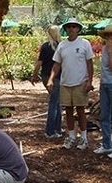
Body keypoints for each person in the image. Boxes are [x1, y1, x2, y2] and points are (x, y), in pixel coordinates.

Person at [47, 17, 94, 150]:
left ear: (78, 29)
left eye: (74, 26)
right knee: (67, 110)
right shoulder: (62, 45)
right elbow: (57, 64)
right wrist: (51, 79)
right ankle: (72, 137)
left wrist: (89, 81)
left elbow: (89, 64)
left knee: (80, 110)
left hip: (80, 82)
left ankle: (84, 138)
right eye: (69, 27)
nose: (71, 29)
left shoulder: (84, 43)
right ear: (66, 29)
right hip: (65, 83)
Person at [31, 25, 62, 139]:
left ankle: (58, 128)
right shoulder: (61, 46)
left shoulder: (45, 46)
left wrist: (34, 75)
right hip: (57, 77)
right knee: (54, 103)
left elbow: (39, 63)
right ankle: (50, 131)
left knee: (57, 102)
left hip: (45, 77)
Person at [93, 25, 112, 157]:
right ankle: (106, 144)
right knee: (104, 116)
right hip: (104, 83)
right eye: (108, 36)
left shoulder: (109, 49)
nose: (110, 38)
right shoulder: (105, 48)